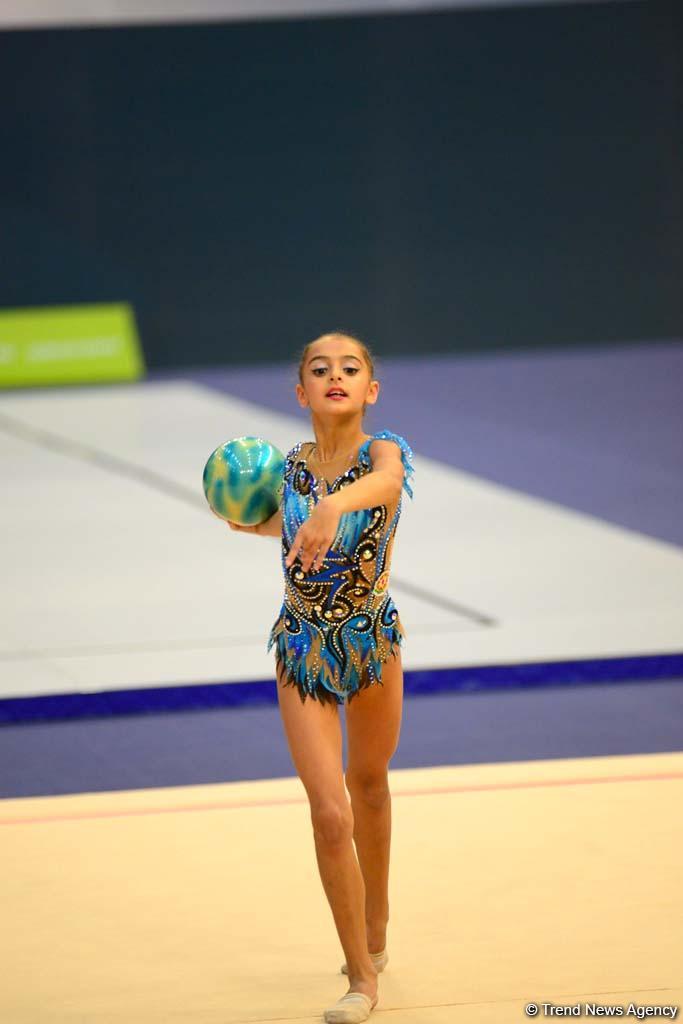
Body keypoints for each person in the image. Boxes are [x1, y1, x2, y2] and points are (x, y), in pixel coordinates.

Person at [221, 331, 415, 1024]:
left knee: (369, 786)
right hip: (302, 651)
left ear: (371, 389)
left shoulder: (382, 453)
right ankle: (360, 978)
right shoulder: (291, 467)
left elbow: (385, 487)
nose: (336, 375)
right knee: (331, 814)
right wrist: (247, 519)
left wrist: (333, 507)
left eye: (350, 368)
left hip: (371, 646)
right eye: (320, 369)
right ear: (300, 392)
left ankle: (377, 917)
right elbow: (288, 524)